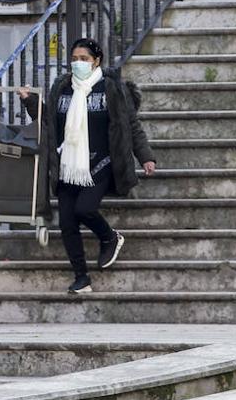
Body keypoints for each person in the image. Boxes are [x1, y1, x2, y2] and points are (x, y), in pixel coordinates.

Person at [19, 38, 156, 294]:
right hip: (68, 163)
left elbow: (131, 125)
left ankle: (110, 237)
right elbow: (49, 121)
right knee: (67, 223)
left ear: (96, 61)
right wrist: (29, 102)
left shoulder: (111, 87)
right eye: (74, 58)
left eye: (83, 59)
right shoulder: (62, 87)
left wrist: (145, 156)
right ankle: (81, 278)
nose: (78, 63)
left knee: (85, 209)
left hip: (101, 162)